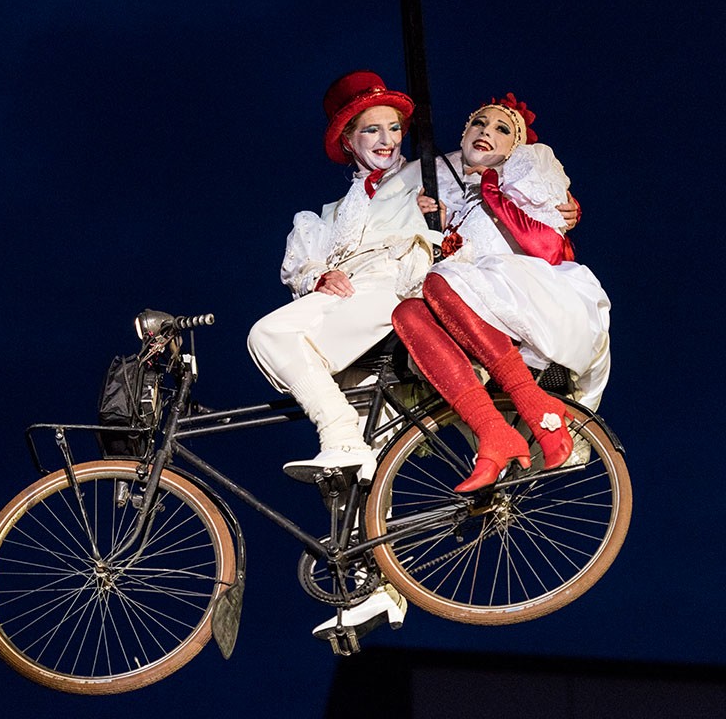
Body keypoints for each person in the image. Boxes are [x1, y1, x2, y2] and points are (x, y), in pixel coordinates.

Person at [248, 70, 446, 639]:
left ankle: (337, 432)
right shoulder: (328, 215)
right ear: (349, 141)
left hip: (392, 296)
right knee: (352, 477)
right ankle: (378, 587)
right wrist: (319, 274)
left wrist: (560, 205)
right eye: (372, 130)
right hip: (347, 315)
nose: (387, 139)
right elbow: (300, 267)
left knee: (267, 335)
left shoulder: (426, 176)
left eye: (394, 128)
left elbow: (495, 163)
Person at [392, 93, 610, 492]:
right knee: (407, 313)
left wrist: (494, 189)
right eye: (479, 123)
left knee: (440, 281)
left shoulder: (525, 171)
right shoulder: (456, 193)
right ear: (464, 133)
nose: (486, 132)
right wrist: (435, 224)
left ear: (515, 147)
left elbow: (546, 243)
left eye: (501, 129)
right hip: (475, 306)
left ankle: (536, 404)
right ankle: (493, 432)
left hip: (528, 293)